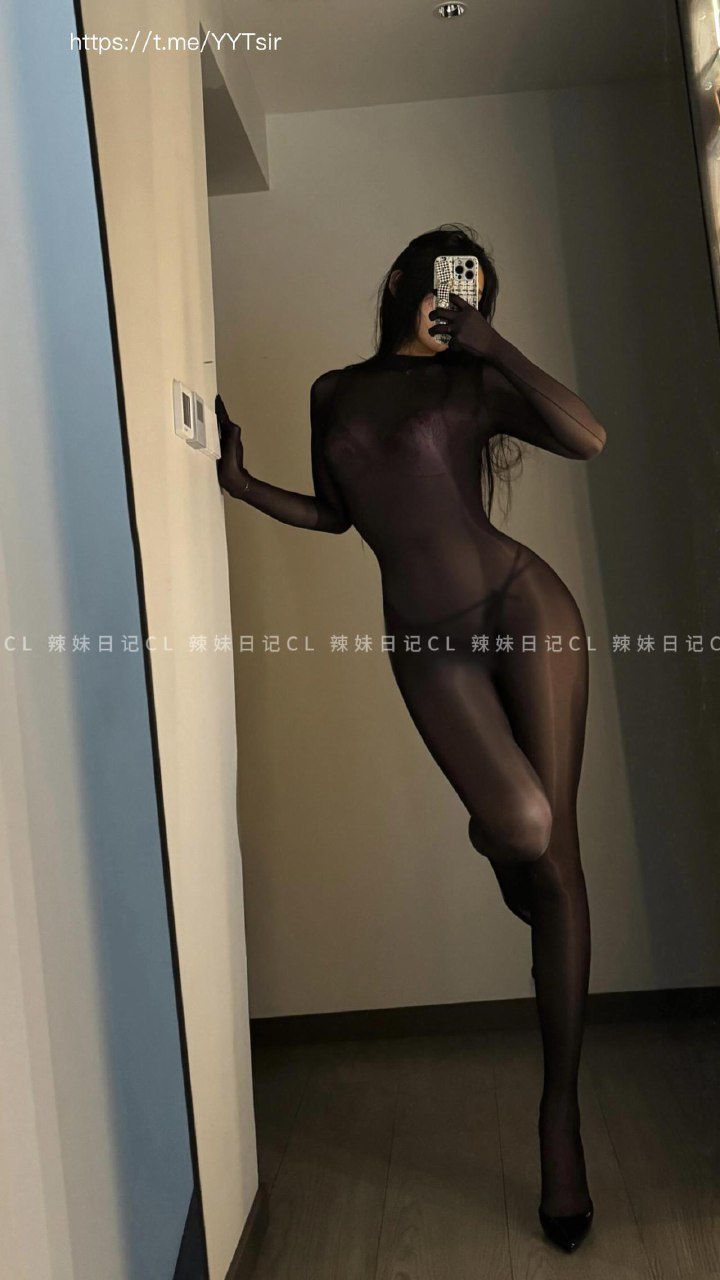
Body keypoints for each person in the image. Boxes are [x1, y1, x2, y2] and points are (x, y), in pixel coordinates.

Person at [216, 223, 606, 1253]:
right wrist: (243, 485)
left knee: (556, 858)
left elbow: (588, 436)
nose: (454, 295)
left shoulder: (473, 381)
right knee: (520, 825)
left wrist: (495, 344)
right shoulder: (335, 391)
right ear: (402, 279)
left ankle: (559, 1122)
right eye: (443, 278)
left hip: (524, 605)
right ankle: (499, 838)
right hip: (426, 640)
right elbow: (339, 515)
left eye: (472, 285)